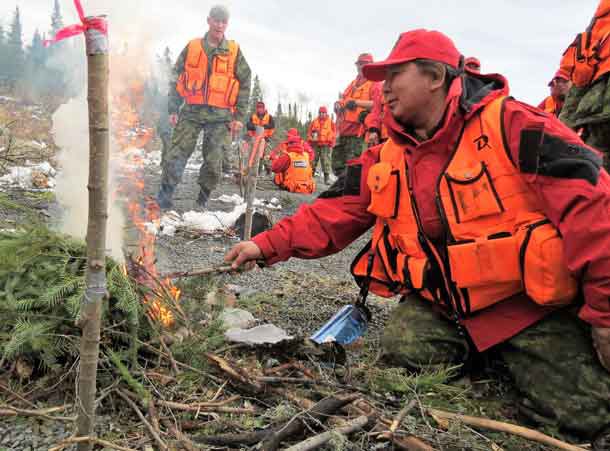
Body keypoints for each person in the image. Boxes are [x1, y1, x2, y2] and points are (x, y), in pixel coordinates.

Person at [226, 29, 610, 446]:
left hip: (525, 308)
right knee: (398, 362)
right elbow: (333, 211)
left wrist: (604, 318)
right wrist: (265, 246)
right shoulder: (387, 153)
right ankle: (485, 361)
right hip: (442, 307)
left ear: (435, 77)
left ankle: (506, 358)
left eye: (395, 75)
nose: (384, 88)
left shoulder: (515, 126)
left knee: (585, 414)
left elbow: (596, 214)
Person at [156, 5, 252, 210]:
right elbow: (176, 76)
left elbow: (245, 82)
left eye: (223, 22)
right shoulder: (193, 47)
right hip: (191, 110)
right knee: (177, 153)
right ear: (208, 21)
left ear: (227, 24)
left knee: (214, 161)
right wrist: (173, 108)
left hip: (220, 116)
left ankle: (202, 199)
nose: (219, 25)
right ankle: (165, 196)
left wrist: (239, 117)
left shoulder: (234, 51)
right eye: (216, 20)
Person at [559, 0, 610, 171]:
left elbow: (581, 77)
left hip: (594, 114)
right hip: (596, 117)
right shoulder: (600, 21)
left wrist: (562, 129)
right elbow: (581, 76)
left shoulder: (599, 22)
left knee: (597, 178)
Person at [332, 53, 382, 176]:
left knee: (353, 167)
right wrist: (338, 104)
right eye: (359, 64)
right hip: (343, 130)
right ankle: (341, 191)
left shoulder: (375, 83)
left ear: (371, 66)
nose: (361, 67)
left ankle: (349, 192)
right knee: (338, 165)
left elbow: (379, 103)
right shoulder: (353, 83)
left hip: (358, 133)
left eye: (364, 64)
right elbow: (343, 99)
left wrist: (357, 103)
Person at [307, 106, 336, 184]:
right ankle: (309, 177)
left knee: (326, 161)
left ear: (326, 113)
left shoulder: (331, 122)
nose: (321, 114)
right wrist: (310, 140)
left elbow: (334, 133)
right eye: (320, 112)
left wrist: (332, 143)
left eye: (323, 113)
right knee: (312, 160)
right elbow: (309, 132)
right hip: (315, 144)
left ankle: (326, 179)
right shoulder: (314, 122)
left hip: (326, 145)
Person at [247, 101, 276, 174]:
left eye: (261, 108)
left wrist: (264, 127)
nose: (259, 109)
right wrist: (254, 127)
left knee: (266, 155)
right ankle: (255, 171)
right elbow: (248, 125)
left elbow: (272, 126)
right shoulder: (253, 116)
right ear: (256, 108)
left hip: (265, 138)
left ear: (264, 108)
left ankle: (268, 170)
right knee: (254, 155)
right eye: (258, 108)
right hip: (255, 138)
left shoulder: (269, 117)